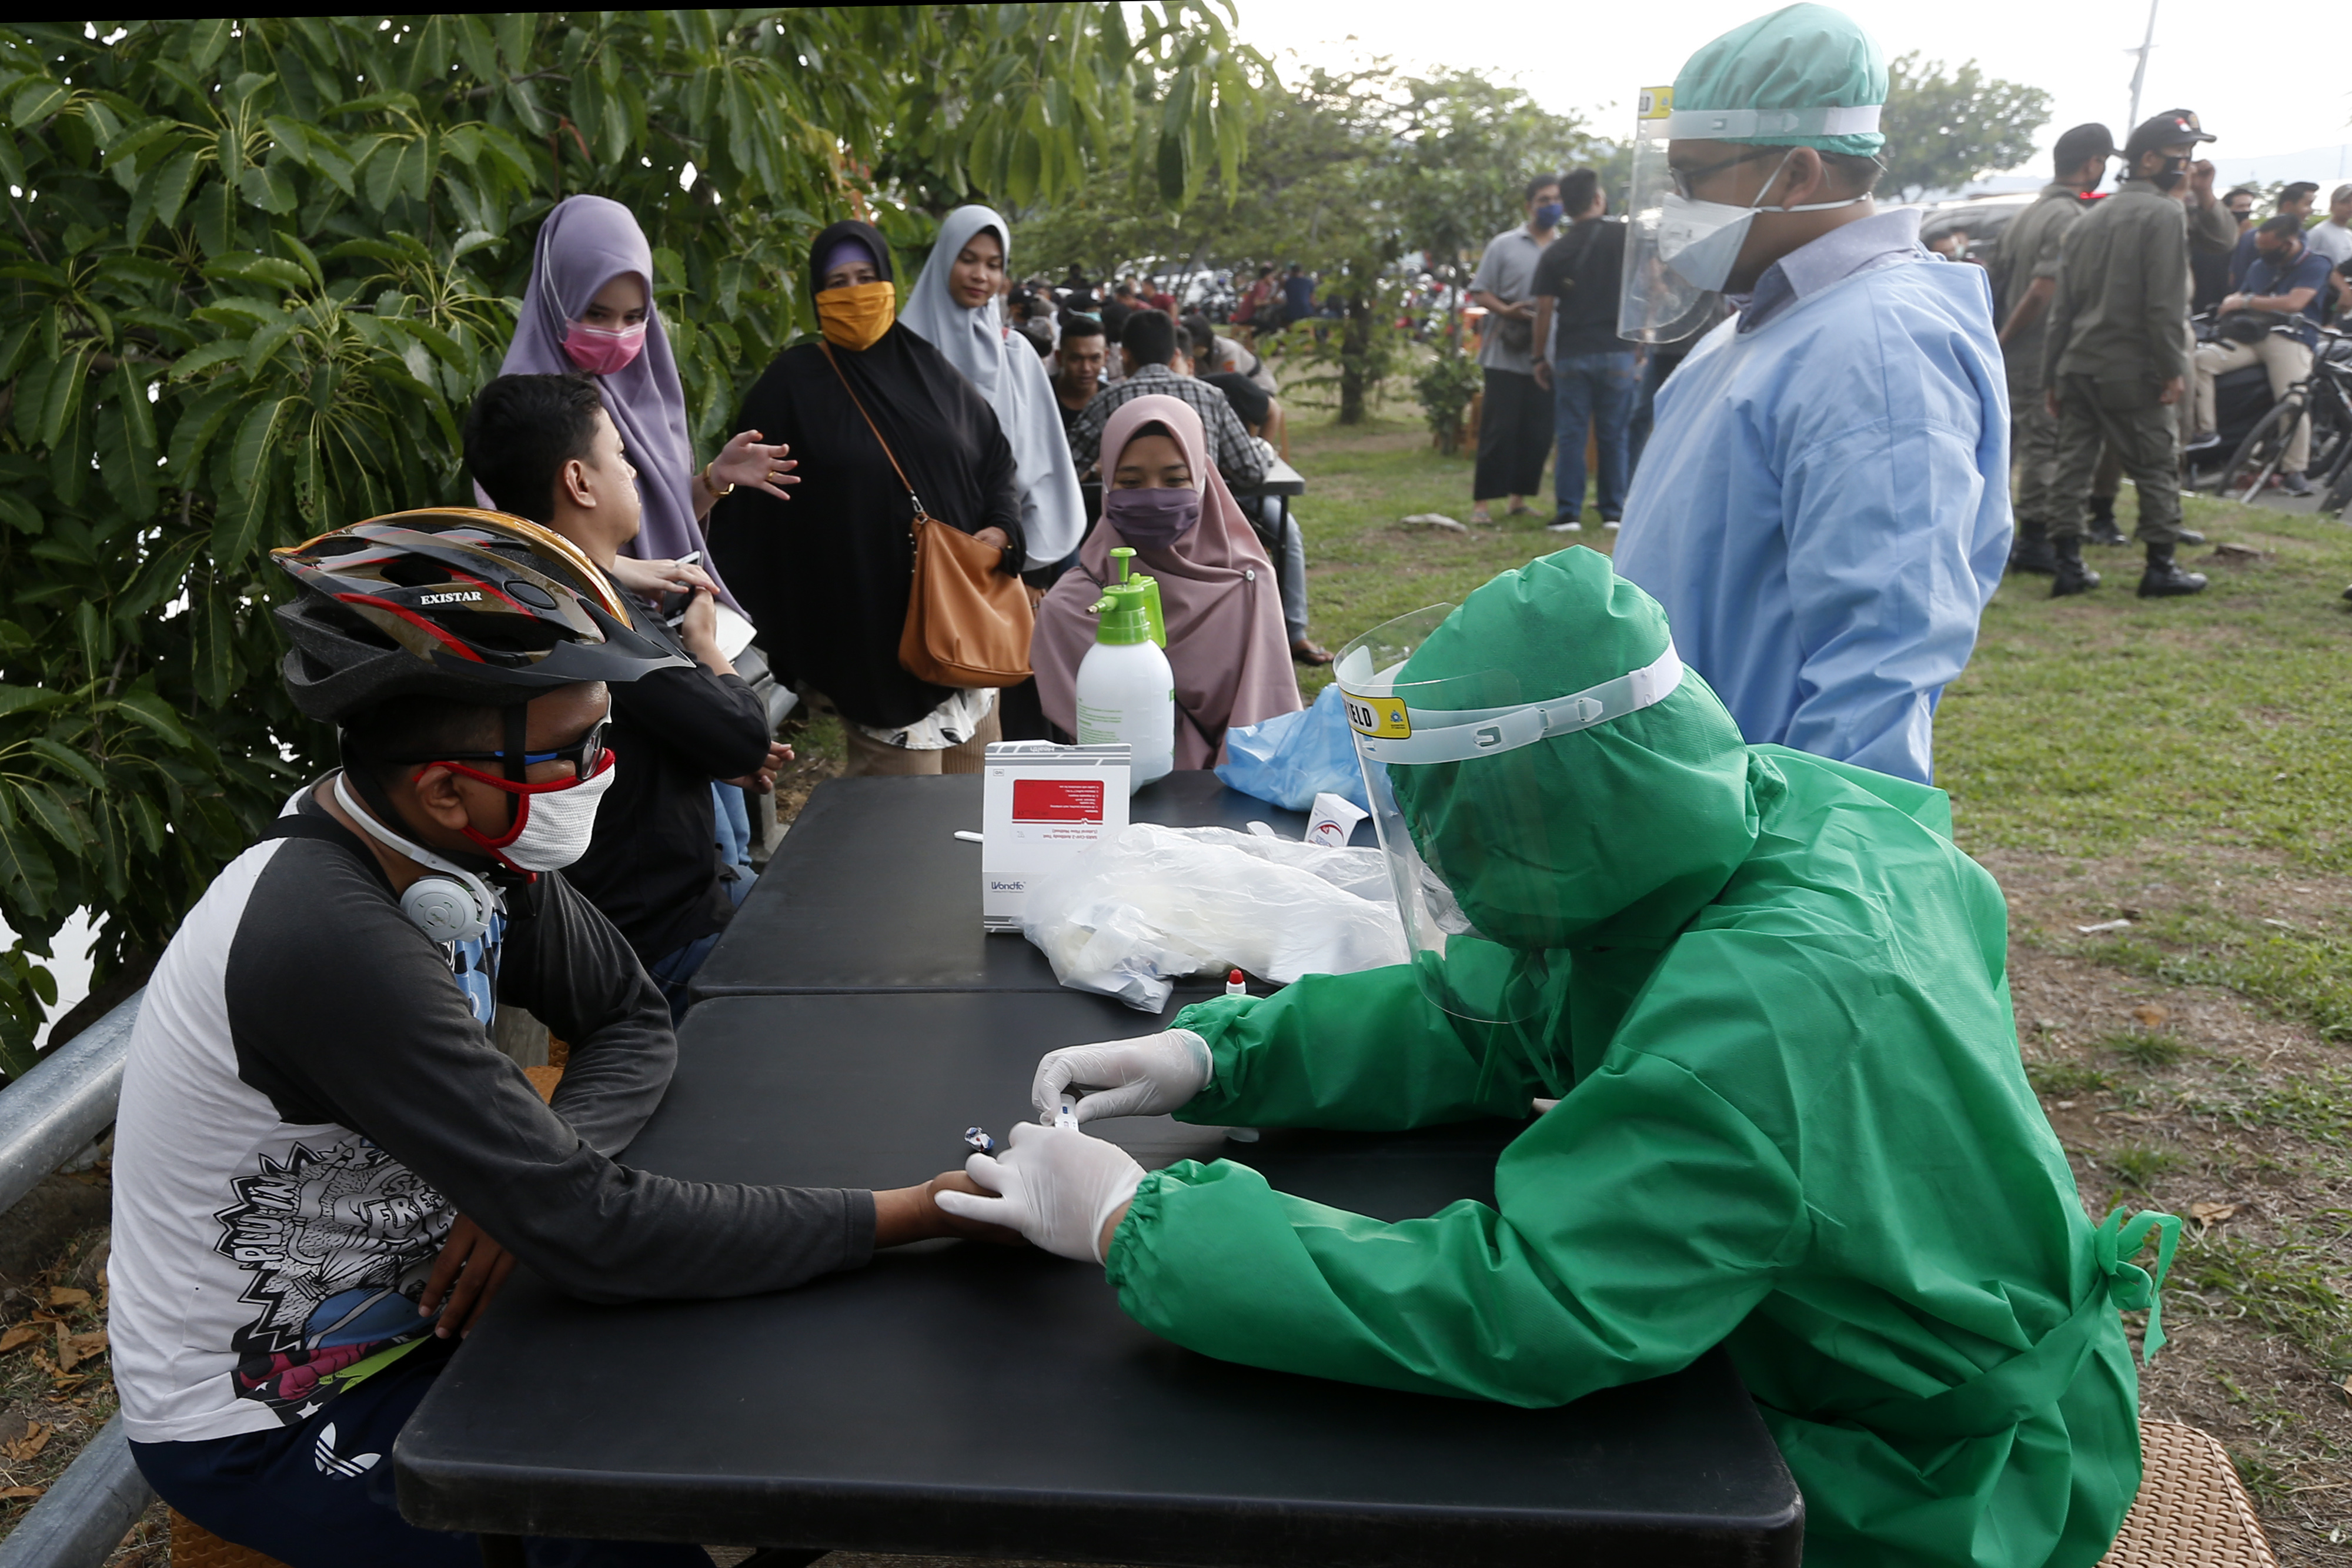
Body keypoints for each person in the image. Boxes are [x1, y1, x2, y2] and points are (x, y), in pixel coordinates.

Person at [946, 550, 2177, 1568]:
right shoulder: (1753, 818)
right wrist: (1218, 1056)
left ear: (1552, 806)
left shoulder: (1755, 1018)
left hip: (1921, 1480)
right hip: (1852, 1349)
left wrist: (1137, 1220)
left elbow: (1525, 1305)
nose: (1450, 861)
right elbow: (1501, 1004)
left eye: (1468, 820)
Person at [112, 513, 1000, 1567]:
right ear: (445, 786)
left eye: (603, 735)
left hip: (439, 1313)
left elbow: (628, 1019)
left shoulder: (465, 854)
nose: (601, 768)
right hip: (271, 1414)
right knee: (647, 1532)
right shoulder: (329, 937)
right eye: (574, 749)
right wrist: (919, 1210)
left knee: (782, 1399)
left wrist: (534, 1185)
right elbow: (598, 1229)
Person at [1611, 5, 2007, 788]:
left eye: (1691, 179)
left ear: (1796, 175)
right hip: (1680, 790)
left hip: (1755, 811)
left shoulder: (1879, 349)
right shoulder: (1756, 329)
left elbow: (1882, 660)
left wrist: (1808, 846)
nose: (1676, 208)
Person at [464, 374, 785, 1018]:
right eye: (619, 454)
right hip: (662, 941)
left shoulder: (530, 588)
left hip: (607, 923)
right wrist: (705, 647)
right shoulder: (601, 624)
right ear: (579, 481)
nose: (634, 470)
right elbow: (744, 737)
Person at [708, 222, 1025, 777]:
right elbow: (754, 523)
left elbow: (994, 459)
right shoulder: (792, 387)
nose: (855, 292)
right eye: (838, 282)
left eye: (866, 277)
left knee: (980, 816)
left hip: (966, 647)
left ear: (889, 283)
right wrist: (810, 647)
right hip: (875, 654)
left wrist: (1002, 529)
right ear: (817, 294)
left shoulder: (929, 369)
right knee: (905, 826)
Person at [496, 195, 794, 614]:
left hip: (664, 624)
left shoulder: (651, 389)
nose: (617, 333)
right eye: (596, 314)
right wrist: (617, 569)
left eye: (634, 317)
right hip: (585, 629)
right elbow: (514, 546)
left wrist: (713, 481)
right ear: (557, 295)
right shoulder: (521, 407)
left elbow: (650, 524)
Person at [1031, 396, 1301, 765]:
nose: (1154, 496)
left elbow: (1267, 718)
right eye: (1131, 482)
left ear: (1203, 481)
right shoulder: (1069, 610)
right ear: (1106, 486)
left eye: (1175, 480)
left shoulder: (1247, 585)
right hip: (1126, 792)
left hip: (1233, 790)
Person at [2042, 111, 2220, 598]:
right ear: (2149, 160)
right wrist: (2172, 368)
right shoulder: (2164, 213)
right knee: (2157, 464)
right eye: (2181, 155)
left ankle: (2068, 565)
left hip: (2078, 363)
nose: (2186, 165)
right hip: (2131, 367)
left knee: (2073, 465)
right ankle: (2161, 566)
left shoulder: (2088, 217)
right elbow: (2164, 303)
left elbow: (2062, 309)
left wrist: (2051, 376)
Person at [901, 205, 1089, 573]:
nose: (980, 275)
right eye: (968, 259)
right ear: (944, 259)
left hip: (1006, 555)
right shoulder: (900, 356)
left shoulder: (1014, 354)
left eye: (993, 265)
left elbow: (1043, 465)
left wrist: (1030, 560)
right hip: (922, 556)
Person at [1995, 123, 2116, 573]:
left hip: (2016, 348)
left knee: (2006, 446)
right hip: (2038, 348)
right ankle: (2033, 540)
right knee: (2044, 445)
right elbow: (2042, 290)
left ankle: (1995, 531)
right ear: (2093, 163)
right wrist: (2006, 338)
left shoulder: (2030, 212)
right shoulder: (2068, 216)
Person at [2190, 215, 2332, 496]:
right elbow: (2240, 297)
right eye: (2259, 248)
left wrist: (2246, 301)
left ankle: (2294, 469)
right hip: (2252, 336)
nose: (2262, 253)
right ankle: (2207, 431)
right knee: (2200, 361)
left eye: (2267, 248)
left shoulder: (2316, 263)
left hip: (2290, 338)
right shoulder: (2259, 266)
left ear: (2287, 243)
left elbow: (2295, 302)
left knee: (2293, 398)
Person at [1528, 168, 1633, 532]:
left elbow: (1543, 309)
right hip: (1618, 349)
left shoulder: (1557, 251)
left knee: (1571, 435)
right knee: (1614, 434)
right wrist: (1641, 341)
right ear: (1599, 199)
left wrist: (1538, 357)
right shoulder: (1626, 238)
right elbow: (1650, 284)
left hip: (1572, 352)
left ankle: (1568, 513)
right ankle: (1613, 511)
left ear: (1566, 208)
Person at [1067, 311, 1268, 489]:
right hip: (1196, 517)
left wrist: (1097, 471)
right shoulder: (1210, 397)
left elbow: (1067, 470)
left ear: (1125, 355)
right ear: (1175, 356)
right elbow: (1252, 471)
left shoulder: (1106, 401)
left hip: (1129, 517)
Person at [1467, 173, 1564, 524]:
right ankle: (1482, 504)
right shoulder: (1504, 245)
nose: (1551, 206)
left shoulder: (1564, 248)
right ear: (1529, 206)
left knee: (1537, 432)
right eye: (1543, 200)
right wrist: (1507, 310)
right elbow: (1480, 291)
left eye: (1556, 199)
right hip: (1504, 353)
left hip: (1549, 355)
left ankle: (1518, 500)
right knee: (1499, 429)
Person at [2230, 180, 2320, 292]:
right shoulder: (2254, 238)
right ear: (2288, 206)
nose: (2311, 210)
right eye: (2307, 204)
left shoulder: (2250, 235)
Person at [1052, 316, 1109, 434]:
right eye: (1076, 359)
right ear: (1059, 358)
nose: (1086, 368)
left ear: (1105, 357)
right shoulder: (1040, 395)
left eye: (1095, 359)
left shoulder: (1112, 402)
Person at [1279, 263, 1316, 329]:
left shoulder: (1288, 283)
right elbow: (1312, 301)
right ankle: (1311, 333)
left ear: (1291, 272)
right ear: (1302, 272)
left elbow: (1280, 286)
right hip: (1306, 312)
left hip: (1291, 313)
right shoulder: (1309, 282)